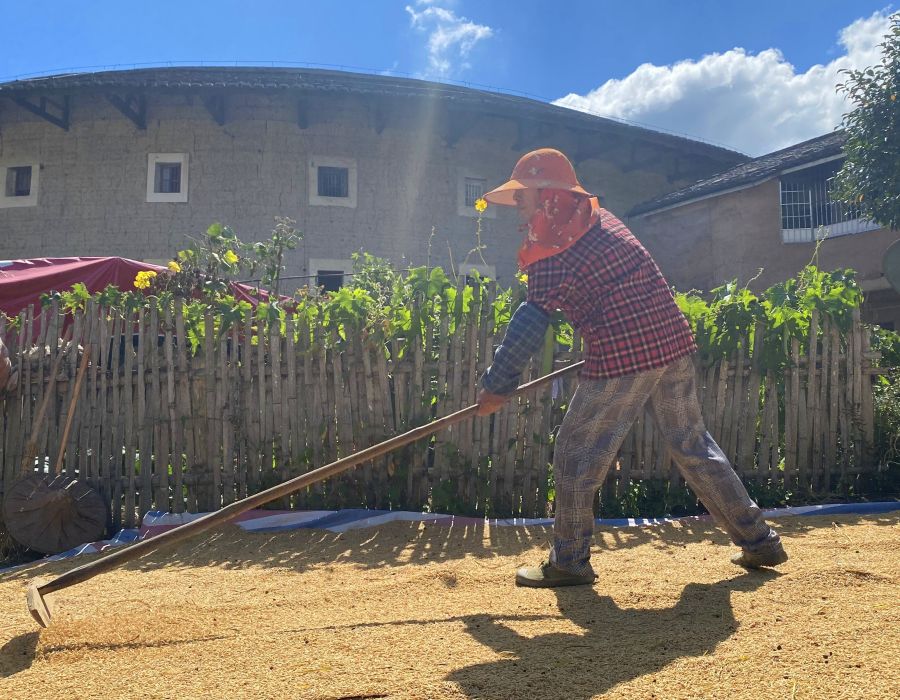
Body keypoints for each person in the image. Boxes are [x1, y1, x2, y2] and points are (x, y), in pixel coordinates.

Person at [475, 148, 787, 588]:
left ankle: (568, 561)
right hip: (671, 344)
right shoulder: (604, 220)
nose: (518, 210)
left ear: (548, 196)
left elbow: (530, 322)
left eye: (522, 198)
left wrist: (496, 385)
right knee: (692, 444)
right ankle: (760, 541)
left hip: (625, 357)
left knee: (576, 451)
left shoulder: (550, 252)